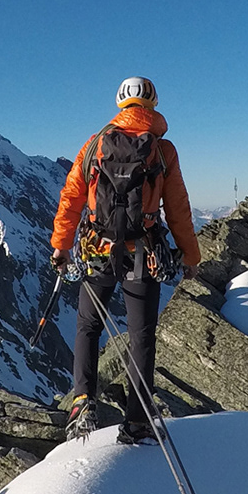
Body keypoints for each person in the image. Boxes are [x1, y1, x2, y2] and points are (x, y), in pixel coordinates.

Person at [50, 75, 202, 444]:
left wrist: (61, 245)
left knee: (88, 326)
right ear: (152, 104)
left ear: (120, 103)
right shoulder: (163, 151)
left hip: (97, 250)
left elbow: (71, 196)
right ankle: (137, 423)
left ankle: (83, 399)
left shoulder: (96, 145)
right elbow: (178, 208)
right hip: (143, 255)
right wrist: (190, 255)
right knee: (141, 337)